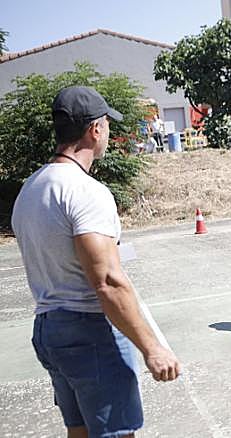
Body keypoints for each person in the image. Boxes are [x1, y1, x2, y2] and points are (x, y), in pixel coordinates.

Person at [11, 86, 181, 438]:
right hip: (90, 330)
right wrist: (152, 348)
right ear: (95, 129)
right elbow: (107, 281)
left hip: (49, 328)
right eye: (107, 124)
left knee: (80, 430)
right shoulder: (86, 191)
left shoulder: (31, 188)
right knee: (116, 433)